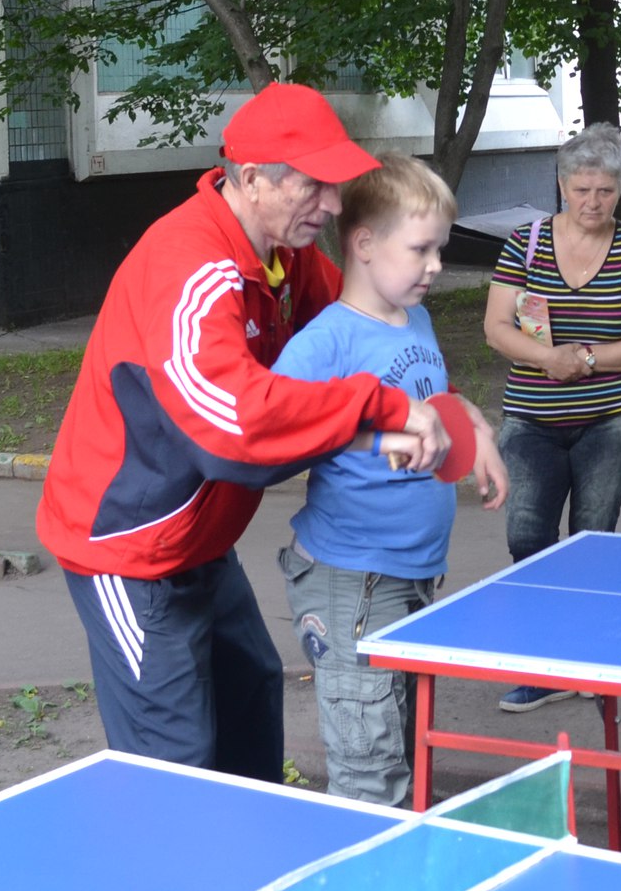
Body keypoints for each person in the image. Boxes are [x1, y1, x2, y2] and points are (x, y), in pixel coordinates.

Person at [34, 83, 471, 780]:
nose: (333, 204)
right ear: (252, 179)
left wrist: (445, 406)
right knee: (172, 762)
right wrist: (381, 411)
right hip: (127, 545)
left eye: (335, 185)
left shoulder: (286, 257)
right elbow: (232, 427)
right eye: (313, 185)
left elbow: (363, 324)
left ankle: (253, 848)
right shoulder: (189, 266)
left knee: (250, 702)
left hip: (202, 540)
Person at [272, 154, 506, 806]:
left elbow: (432, 401)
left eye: (440, 249)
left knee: (401, 747)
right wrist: (377, 437)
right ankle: (366, 869)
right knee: (371, 775)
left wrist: (476, 429)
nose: (436, 265)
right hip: (353, 579)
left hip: (414, 574)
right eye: (421, 248)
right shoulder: (327, 342)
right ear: (365, 244)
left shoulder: (415, 318)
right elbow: (276, 424)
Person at [481, 123, 621, 712]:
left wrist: (584, 360)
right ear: (562, 186)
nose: (593, 202)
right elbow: (496, 327)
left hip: (615, 418)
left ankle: (586, 655)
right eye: (582, 190)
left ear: (620, 189)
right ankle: (544, 661)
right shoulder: (526, 243)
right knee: (527, 535)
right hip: (531, 417)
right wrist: (547, 359)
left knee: (589, 536)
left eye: (605, 191)